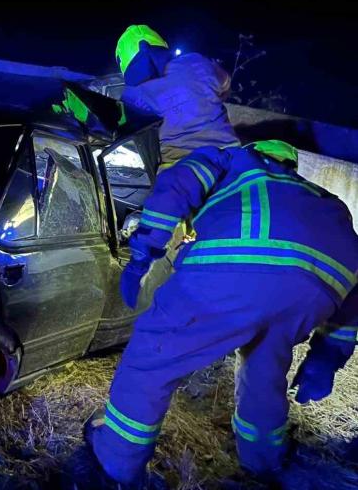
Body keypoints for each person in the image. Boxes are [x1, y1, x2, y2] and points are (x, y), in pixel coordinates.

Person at [75, 140, 358, 488]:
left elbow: (179, 184)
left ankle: (115, 464)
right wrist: (326, 358)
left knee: (152, 359)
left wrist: (144, 250)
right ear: (291, 166)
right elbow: (353, 293)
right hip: (315, 292)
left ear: (256, 151)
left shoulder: (234, 160)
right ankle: (263, 462)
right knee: (263, 370)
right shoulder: (325, 201)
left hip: (237, 265)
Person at [116, 24, 240, 166]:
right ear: (162, 44)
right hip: (230, 152)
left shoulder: (131, 95)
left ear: (123, 63)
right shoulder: (195, 60)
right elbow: (225, 86)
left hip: (180, 166)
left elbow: (126, 133)